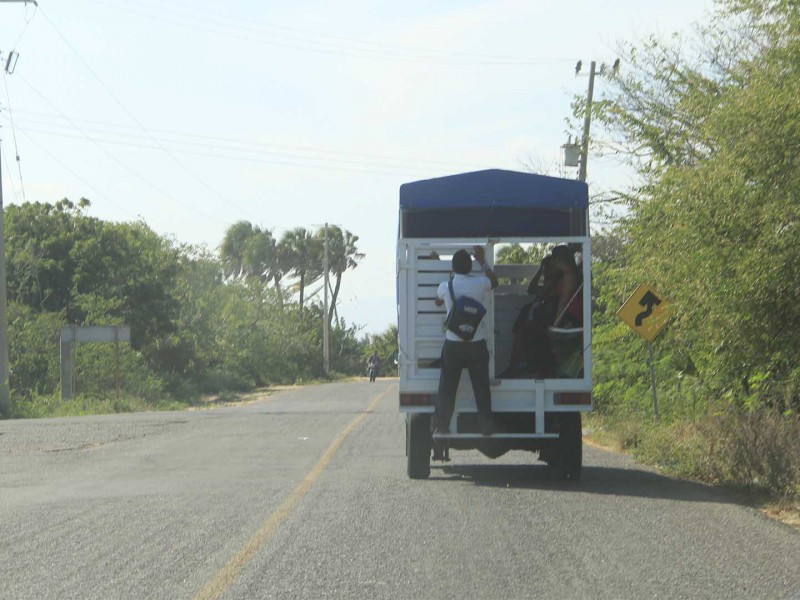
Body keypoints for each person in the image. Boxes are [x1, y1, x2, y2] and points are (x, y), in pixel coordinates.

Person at [434, 246, 499, 436]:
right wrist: (482, 260)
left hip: (453, 345)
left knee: (447, 386)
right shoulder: (480, 283)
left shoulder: (446, 286)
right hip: (477, 343)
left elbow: (437, 301)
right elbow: (494, 282)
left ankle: (442, 426)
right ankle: (486, 426)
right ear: (471, 267)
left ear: (453, 268)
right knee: (481, 386)